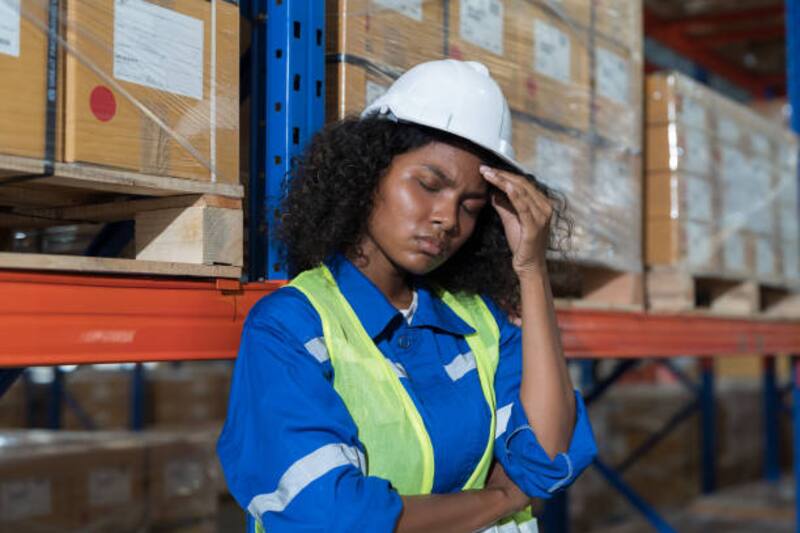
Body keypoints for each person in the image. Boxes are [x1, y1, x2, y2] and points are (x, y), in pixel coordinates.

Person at [218, 59, 597, 532]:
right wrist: (501, 496)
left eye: (470, 206)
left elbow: (546, 458)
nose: (447, 219)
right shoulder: (290, 326)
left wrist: (532, 270)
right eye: (429, 185)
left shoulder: (479, 322)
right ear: (368, 171)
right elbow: (331, 518)